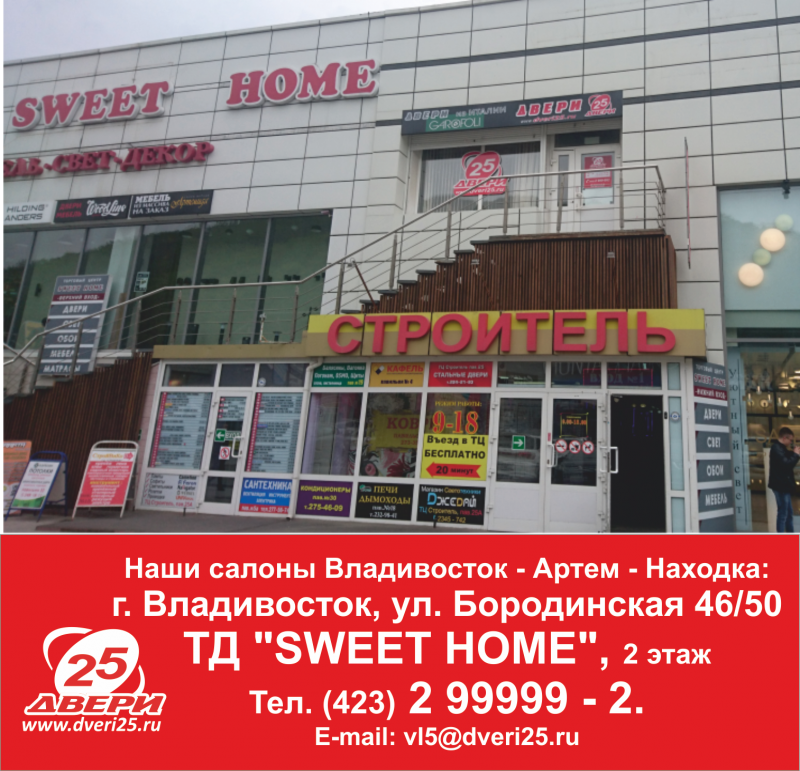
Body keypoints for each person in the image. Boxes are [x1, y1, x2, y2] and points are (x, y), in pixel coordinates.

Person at [767, 427, 800, 534]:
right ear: (785, 438)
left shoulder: (780, 448)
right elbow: (786, 465)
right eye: (790, 440)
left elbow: (787, 459)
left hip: (783, 485)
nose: (791, 442)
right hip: (780, 486)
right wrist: (795, 455)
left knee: (788, 513)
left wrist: (794, 453)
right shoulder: (776, 448)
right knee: (783, 513)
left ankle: (790, 535)